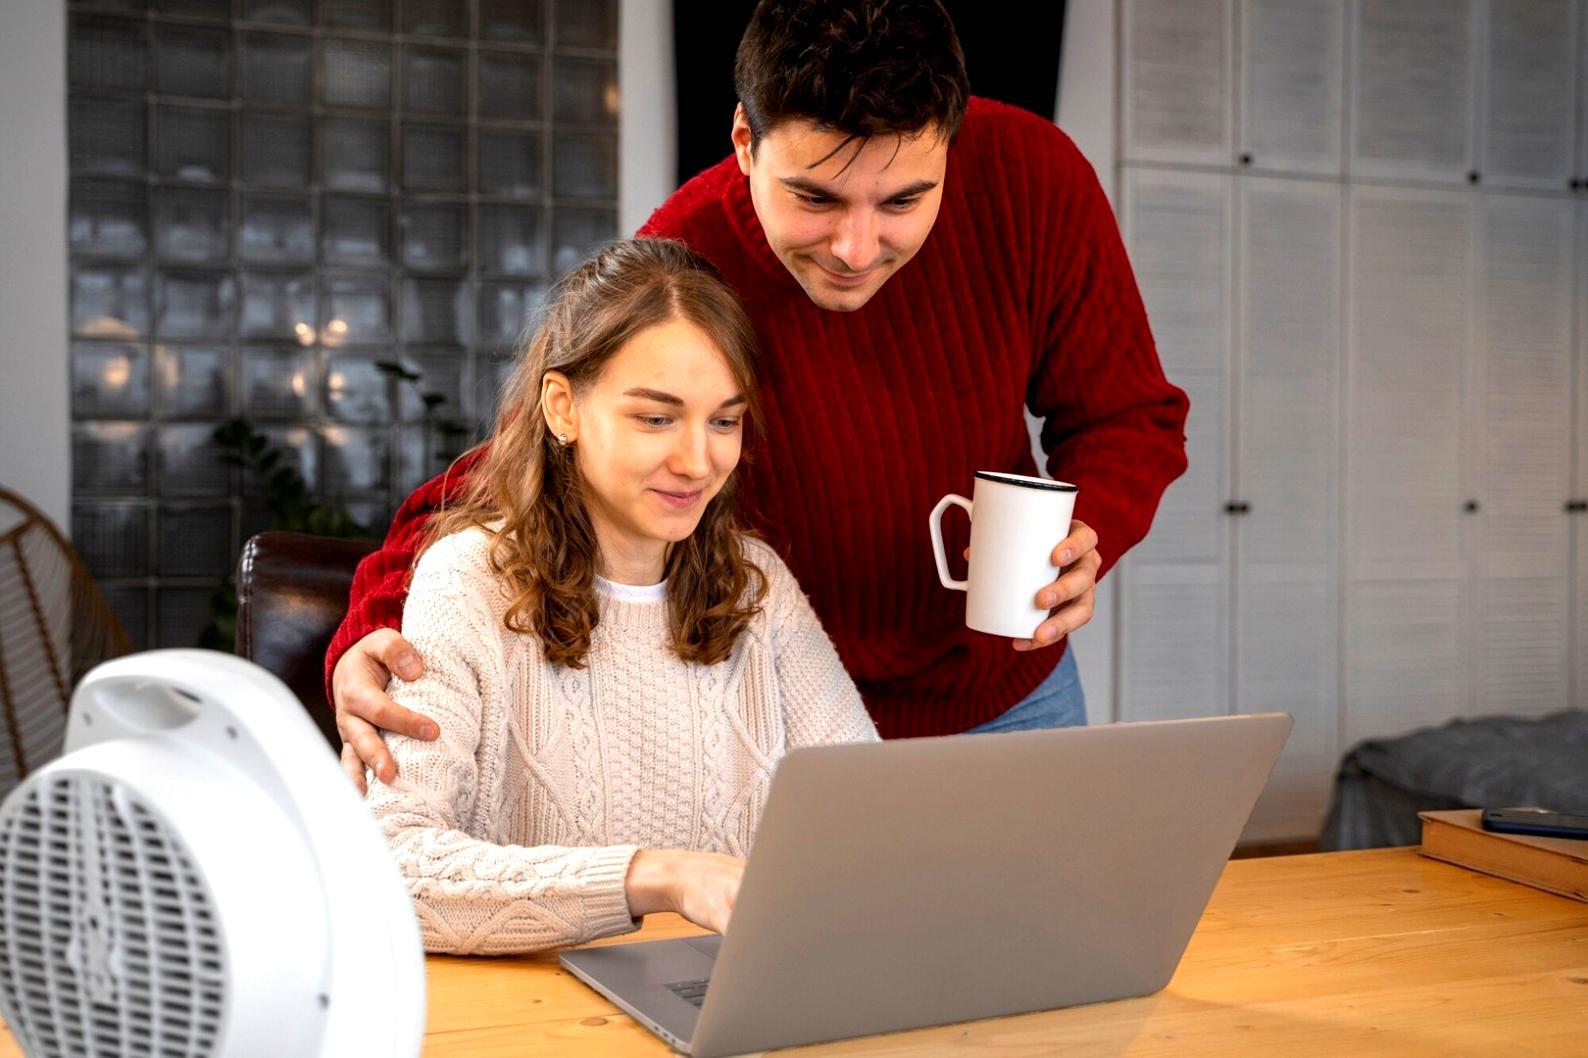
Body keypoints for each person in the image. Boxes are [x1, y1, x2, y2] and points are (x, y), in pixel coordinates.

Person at [331, 0, 1189, 790]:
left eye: (903, 202)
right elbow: (518, 468)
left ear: (951, 148)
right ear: (745, 141)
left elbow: (1128, 417)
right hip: (781, 705)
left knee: (1036, 953)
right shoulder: (687, 253)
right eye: (814, 197)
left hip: (1010, 694)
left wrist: (1091, 535)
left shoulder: (1036, 179)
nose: (856, 247)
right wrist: (369, 632)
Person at [365, 238, 879, 954]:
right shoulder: (468, 581)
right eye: (656, 418)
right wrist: (652, 877)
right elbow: (395, 870)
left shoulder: (757, 587)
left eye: (724, 420)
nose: (698, 461)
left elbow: (871, 821)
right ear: (563, 408)